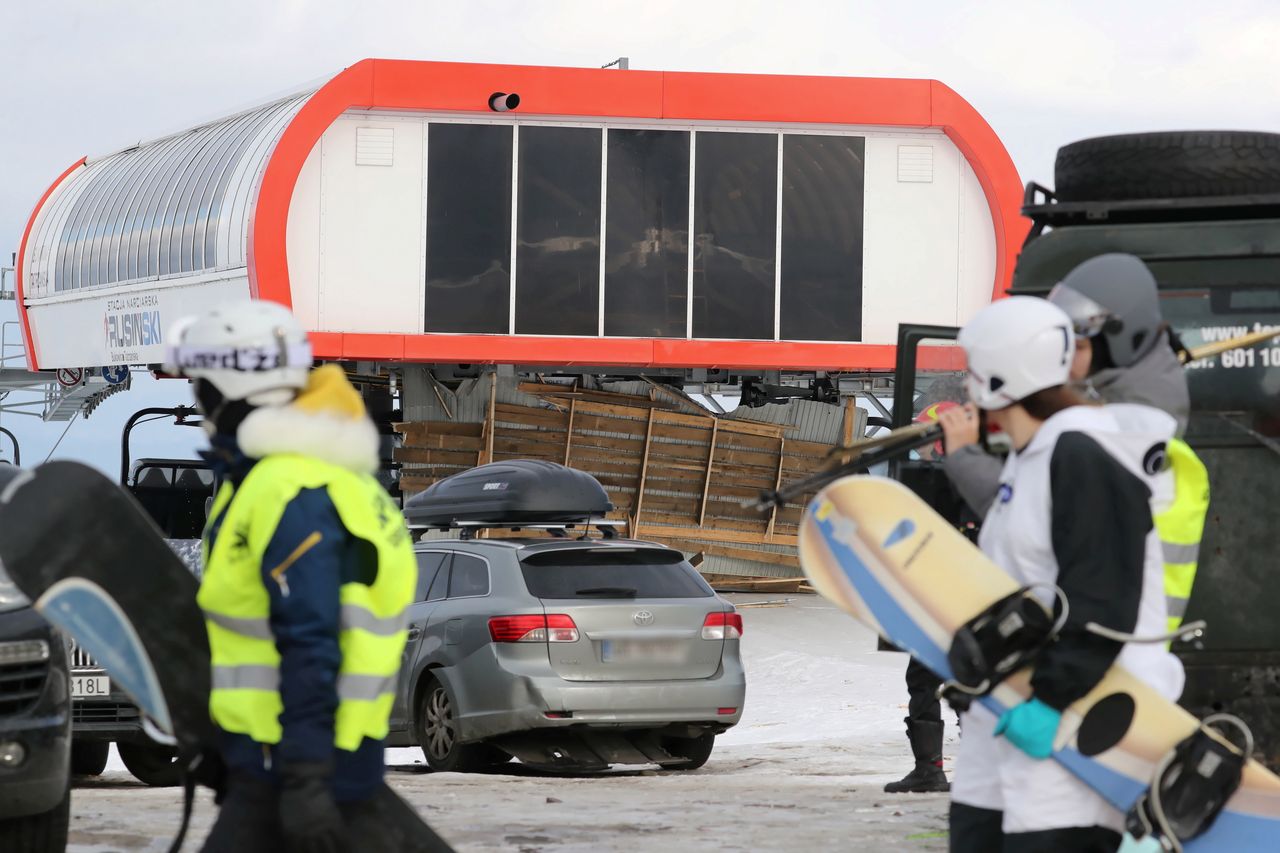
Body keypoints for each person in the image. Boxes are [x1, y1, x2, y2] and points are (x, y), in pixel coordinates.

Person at [165, 300, 452, 852]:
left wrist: (305, 781)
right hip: (299, 757)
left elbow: (312, 641)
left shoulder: (288, 489)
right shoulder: (322, 478)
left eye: (200, 384)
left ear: (226, 387)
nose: (196, 398)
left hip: (297, 763)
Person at [948, 296, 1184, 851]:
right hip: (1010, 713)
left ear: (999, 373)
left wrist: (1050, 701)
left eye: (970, 368)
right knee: (977, 833)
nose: (964, 383)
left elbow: (1102, 595)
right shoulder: (1030, 458)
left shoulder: (1083, 455)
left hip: (1075, 720)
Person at [940, 254, 1207, 629]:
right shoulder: (1113, 396)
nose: (1063, 362)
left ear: (1116, 342)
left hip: (1115, 640)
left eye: (1076, 348)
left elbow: (1023, 513)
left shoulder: (1130, 421)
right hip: (1098, 625)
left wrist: (965, 454)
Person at [882, 400, 962, 794]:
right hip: (941, 600)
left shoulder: (943, 483)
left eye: (925, 437)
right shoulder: (959, 478)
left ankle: (931, 769)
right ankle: (935, 769)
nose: (921, 446)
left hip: (944, 601)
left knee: (934, 681)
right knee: (945, 681)